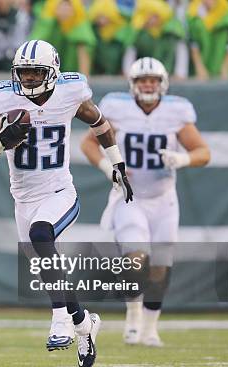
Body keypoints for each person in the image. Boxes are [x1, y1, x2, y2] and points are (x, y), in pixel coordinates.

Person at [0, 39, 133, 367]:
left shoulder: (71, 92)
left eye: (36, 73)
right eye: (24, 73)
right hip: (23, 198)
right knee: (49, 270)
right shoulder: (3, 99)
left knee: (41, 235)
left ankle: (59, 320)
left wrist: (116, 163)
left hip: (60, 191)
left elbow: (100, 123)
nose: (30, 79)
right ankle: (83, 323)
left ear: (52, 71)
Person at [80, 57, 210, 346]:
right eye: (142, 80)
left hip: (164, 199)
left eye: (152, 79)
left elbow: (203, 152)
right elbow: (88, 143)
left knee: (160, 266)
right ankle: (133, 314)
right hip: (130, 196)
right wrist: (108, 168)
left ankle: (151, 327)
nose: (148, 84)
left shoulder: (176, 111)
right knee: (136, 258)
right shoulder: (116, 106)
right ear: (132, 84)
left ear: (162, 83)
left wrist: (182, 158)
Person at [187, 0, 228, 80]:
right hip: (204, 75)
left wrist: (225, 69)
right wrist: (200, 68)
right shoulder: (194, 14)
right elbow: (193, 43)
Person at [31, 0, 96, 76]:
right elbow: (36, 46)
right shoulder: (48, 23)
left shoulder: (80, 24)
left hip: (73, 76)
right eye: (61, 7)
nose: (64, 11)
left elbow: (84, 55)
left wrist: (83, 81)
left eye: (68, 7)